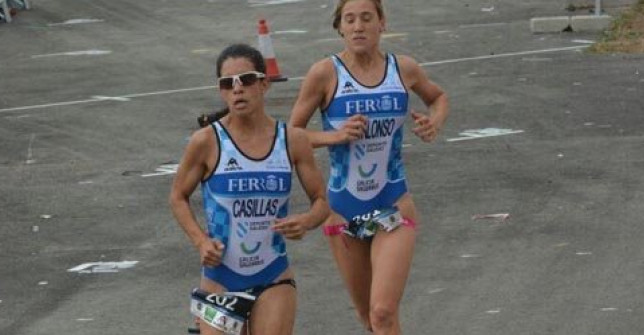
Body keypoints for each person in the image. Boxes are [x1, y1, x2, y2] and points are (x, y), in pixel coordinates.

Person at [288, 1, 449, 334]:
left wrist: (434, 122)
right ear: (340, 28)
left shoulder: (403, 69)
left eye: (366, 18)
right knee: (367, 317)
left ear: (382, 24)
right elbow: (292, 136)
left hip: (393, 203)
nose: (358, 26)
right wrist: (334, 136)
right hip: (343, 211)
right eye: (350, 20)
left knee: (383, 312)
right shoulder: (325, 73)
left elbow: (438, 97)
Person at [170, 43, 330, 335]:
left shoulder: (292, 140)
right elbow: (178, 197)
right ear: (221, 90)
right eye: (227, 83)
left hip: (273, 275)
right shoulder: (206, 142)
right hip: (220, 278)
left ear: (264, 83)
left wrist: (306, 221)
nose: (237, 89)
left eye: (245, 79)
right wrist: (201, 242)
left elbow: (321, 201)